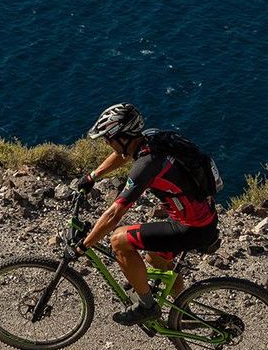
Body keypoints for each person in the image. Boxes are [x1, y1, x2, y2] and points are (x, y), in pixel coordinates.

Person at [72, 103, 220, 326]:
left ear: (122, 136)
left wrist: (84, 245)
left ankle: (146, 307)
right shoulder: (151, 138)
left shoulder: (146, 166)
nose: (106, 142)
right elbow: (122, 156)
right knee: (155, 258)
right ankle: (183, 310)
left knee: (119, 239)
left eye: (108, 137)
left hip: (191, 227)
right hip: (200, 216)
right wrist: (93, 176)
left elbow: (114, 215)